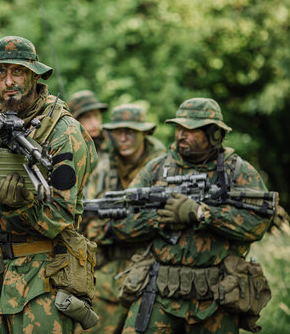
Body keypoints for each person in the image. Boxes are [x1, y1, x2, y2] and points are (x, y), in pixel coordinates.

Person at [0, 35, 98, 333]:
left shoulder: (63, 132)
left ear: (34, 75)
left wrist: (22, 204)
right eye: (0, 73)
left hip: (43, 277)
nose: (8, 81)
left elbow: (59, 217)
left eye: (17, 72)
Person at [111, 98, 274, 333]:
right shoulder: (157, 169)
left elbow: (257, 223)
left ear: (214, 134)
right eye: (179, 128)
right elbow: (121, 223)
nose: (181, 135)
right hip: (157, 291)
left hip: (217, 295)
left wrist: (202, 213)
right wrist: (160, 217)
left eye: (190, 129)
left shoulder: (237, 171)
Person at [71, 101, 166, 334]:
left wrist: (124, 226)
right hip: (111, 269)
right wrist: (116, 230)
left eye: (130, 131)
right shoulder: (103, 165)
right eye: (118, 132)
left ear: (144, 132)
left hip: (157, 268)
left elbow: (166, 219)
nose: (123, 138)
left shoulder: (164, 167)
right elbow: (88, 219)